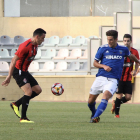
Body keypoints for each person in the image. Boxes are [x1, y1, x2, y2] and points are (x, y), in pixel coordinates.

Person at [88, 30, 140, 123]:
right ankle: (93, 113)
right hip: (100, 78)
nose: (109, 42)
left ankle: (95, 118)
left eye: (111, 40)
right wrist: (103, 66)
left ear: (116, 39)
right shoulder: (102, 48)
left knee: (106, 96)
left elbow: (130, 56)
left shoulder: (123, 49)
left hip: (113, 79)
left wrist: (138, 62)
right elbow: (95, 63)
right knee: (90, 102)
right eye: (108, 39)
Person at [2, 28, 46, 123]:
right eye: (42, 38)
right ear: (37, 37)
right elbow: (13, 60)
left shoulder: (35, 46)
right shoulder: (25, 46)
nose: (43, 40)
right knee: (28, 91)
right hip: (18, 71)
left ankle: (16, 104)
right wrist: (9, 76)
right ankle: (23, 118)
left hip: (25, 71)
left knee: (38, 90)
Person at [111, 34, 139, 118]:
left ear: (131, 41)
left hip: (128, 78)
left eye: (128, 41)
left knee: (128, 97)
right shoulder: (119, 51)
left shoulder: (135, 52)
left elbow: (137, 62)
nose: (126, 42)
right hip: (119, 77)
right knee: (119, 96)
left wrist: (135, 70)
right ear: (123, 41)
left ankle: (115, 103)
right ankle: (117, 114)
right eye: (125, 41)